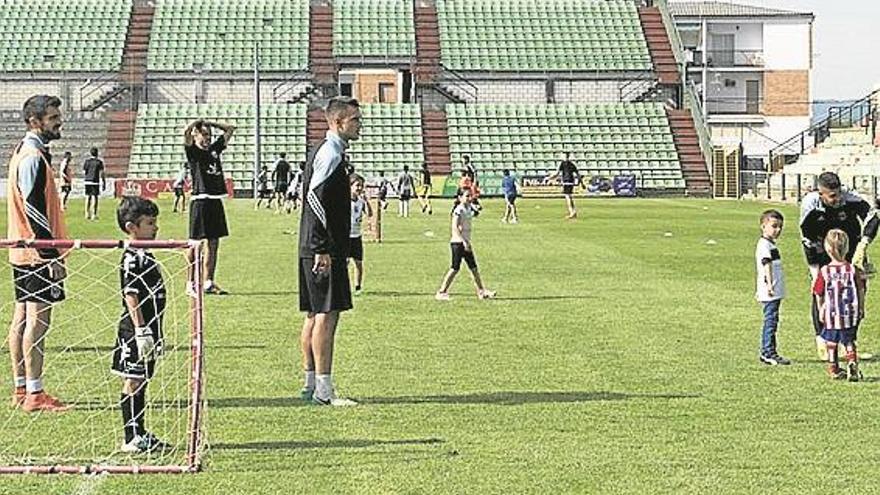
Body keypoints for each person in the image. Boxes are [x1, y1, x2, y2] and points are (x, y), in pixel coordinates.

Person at [7, 95, 70, 412]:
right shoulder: (32, 156)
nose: (59, 121)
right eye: (53, 117)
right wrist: (51, 255)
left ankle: (22, 388)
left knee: (21, 317)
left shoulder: (23, 151)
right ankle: (35, 393)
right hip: (36, 252)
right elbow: (34, 208)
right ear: (35, 121)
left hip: (22, 250)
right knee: (37, 321)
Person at [298, 97, 361, 406]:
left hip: (314, 246)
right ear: (338, 123)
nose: (360, 125)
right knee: (326, 314)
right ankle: (324, 390)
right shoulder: (331, 153)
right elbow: (313, 198)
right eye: (355, 120)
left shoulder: (329, 151)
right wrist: (323, 246)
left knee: (314, 314)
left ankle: (310, 384)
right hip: (322, 249)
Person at [112, 196, 171, 452]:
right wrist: (140, 329)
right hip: (136, 330)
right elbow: (131, 294)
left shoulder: (146, 254)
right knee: (133, 380)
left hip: (151, 328)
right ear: (131, 227)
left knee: (143, 379)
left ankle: (141, 431)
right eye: (149, 223)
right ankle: (130, 436)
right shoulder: (132, 258)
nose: (155, 227)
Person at [800, 171, 878, 359]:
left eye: (838, 194)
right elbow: (807, 238)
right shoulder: (810, 204)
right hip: (824, 251)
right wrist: (814, 269)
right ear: (821, 193)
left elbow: (873, 216)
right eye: (832, 196)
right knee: (821, 291)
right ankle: (822, 339)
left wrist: (864, 244)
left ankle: (848, 341)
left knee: (856, 292)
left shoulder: (850, 198)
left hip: (852, 250)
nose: (837, 199)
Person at [184, 118, 236, 295]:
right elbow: (185, 133)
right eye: (204, 135)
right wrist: (194, 124)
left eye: (209, 135)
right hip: (200, 200)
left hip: (215, 200)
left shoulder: (214, 150)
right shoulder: (192, 152)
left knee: (213, 244)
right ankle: (190, 283)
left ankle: (208, 282)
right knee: (195, 244)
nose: (207, 138)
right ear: (196, 135)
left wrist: (211, 123)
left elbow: (230, 129)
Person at [813, 229, 865, 381]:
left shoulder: (825, 271)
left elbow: (818, 292)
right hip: (849, 312)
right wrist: (861, 307)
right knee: (849, 340)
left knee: (831, 341)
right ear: (847, 248)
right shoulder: (852, 269)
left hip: (831, 312)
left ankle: (833, 368)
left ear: (827, 248)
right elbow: (860, 289)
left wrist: (821, 308)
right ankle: (852, 362)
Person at [435, 187, 496, 301]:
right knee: (454, 268)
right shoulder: (459, 210)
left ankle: (481, 292)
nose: (469, 198)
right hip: (458, 243)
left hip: (466, 242)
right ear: (460, 197)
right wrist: (463, 241)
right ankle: (441, 292)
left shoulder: (468, 208)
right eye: (466, 196)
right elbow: (455, 227)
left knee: (474, 268)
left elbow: (475, 213)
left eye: (470, 196)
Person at [755, 210, 790, 365]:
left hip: (774, 289)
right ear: (763, 226)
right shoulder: (764, 245)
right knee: (770, 321)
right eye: (774, 226)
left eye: (780, 227)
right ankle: (768, 352)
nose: (778, 230)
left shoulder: (770, 244)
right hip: (771, 290)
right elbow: (766, 264)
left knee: (773, 320)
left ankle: (769, 351)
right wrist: (769, 285)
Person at [348, 173, 372, 296]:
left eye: (361, 186)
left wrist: (366, 200)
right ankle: (342, 286)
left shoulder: (360, 201)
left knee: (358, 263)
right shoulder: (344, 201)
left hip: (356, 236)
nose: (359, 188)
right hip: (346, 237)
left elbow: (370, 214)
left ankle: (358, 286)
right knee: (343, 264)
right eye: (357, 185)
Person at [547, 151, 579, 219]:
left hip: (566, 181)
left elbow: (556, 173)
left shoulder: (563, 163)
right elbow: (578, 174)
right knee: (569, 196)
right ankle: (573, 212)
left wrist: (549, 178)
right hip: (571, 181)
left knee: (567, 197)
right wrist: (581, 183)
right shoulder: (572, 164)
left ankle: (571, 212)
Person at [83, 147, 105, 221]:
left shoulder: (87, 161)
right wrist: (103, 182)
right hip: (95, 181)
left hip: (87, 180)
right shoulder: (99, 162)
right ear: (97, 153)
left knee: (87, 197)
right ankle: (94, 214)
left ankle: (86, 213)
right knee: (94, 198)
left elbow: (84, 171)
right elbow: (102, 173)